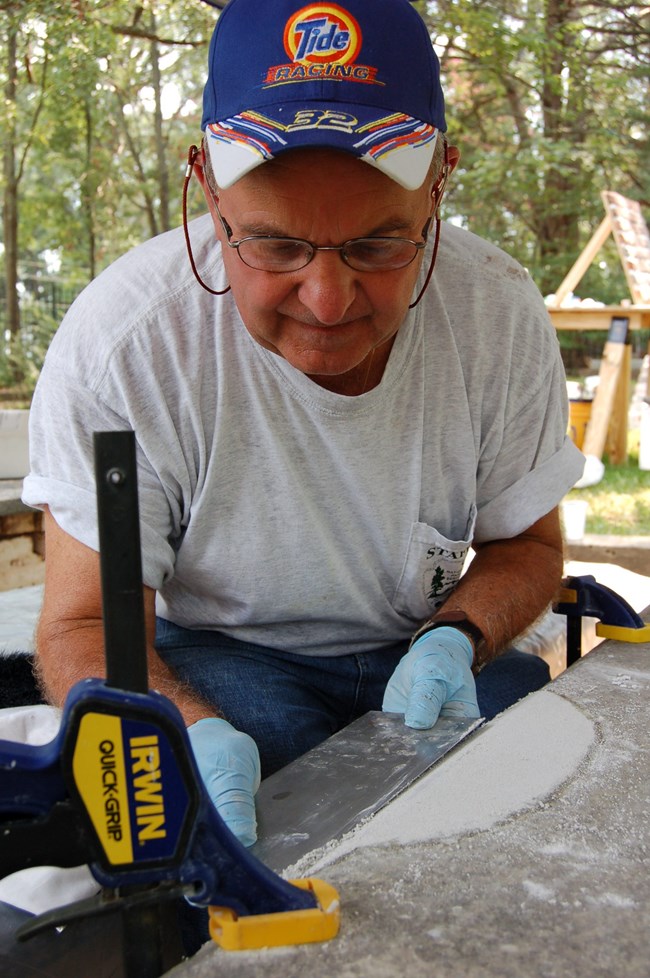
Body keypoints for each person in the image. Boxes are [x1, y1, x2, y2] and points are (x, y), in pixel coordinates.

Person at [23, 0, 584, 849]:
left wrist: (457, 637)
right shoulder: (125, 348)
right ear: (208, 189)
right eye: (276, 246)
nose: (326, 302)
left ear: (439, 186)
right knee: (292, 789)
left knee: (540, 773)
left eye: (378, 245)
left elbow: (528, 548)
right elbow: (82, 625)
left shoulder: (497, 313)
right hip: (224, 650)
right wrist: (180, 727)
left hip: (425, 644)